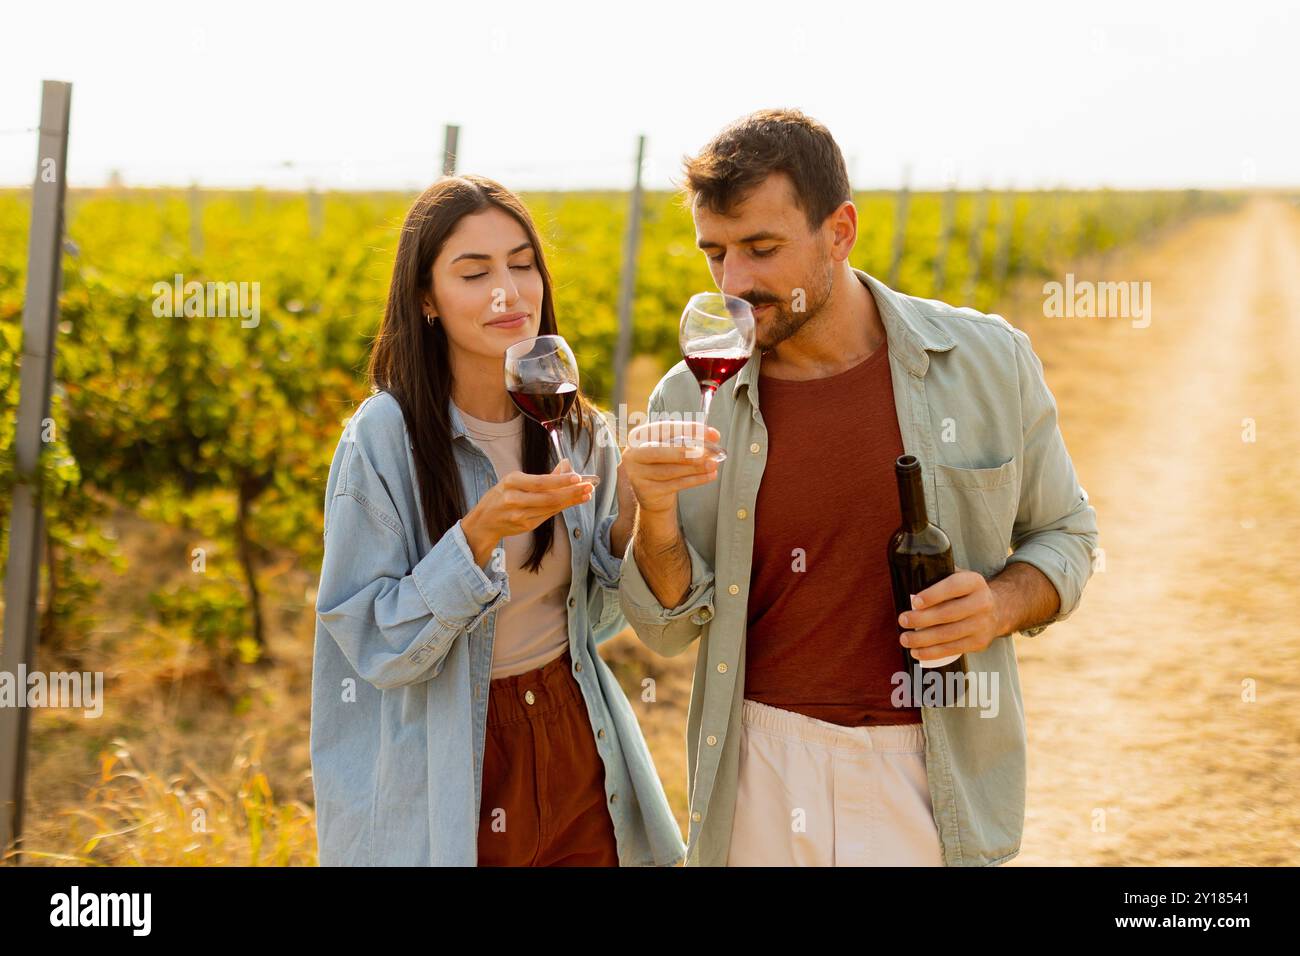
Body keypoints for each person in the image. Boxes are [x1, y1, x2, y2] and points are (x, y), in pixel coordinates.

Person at [619, 109, 1100, 866]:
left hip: (928, 766)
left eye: (761, 248)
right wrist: (653, 516)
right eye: (714, 254)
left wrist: (999, 605)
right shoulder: (689, 399)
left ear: (839, 232)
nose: (734, 282)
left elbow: (1068, 534)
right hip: (760, 771)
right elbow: (668, 629)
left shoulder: (987, 362)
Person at [310, 174, 685, 867]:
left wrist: (640, 501)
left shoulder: (574, 426)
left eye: (521, 263)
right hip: (448, 754)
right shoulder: (382, 440)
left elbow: (597, 615)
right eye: (474, 272)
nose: (507, 291)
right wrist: (476, 537)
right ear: (427, 299)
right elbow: (370, 644)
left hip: (573, 732)